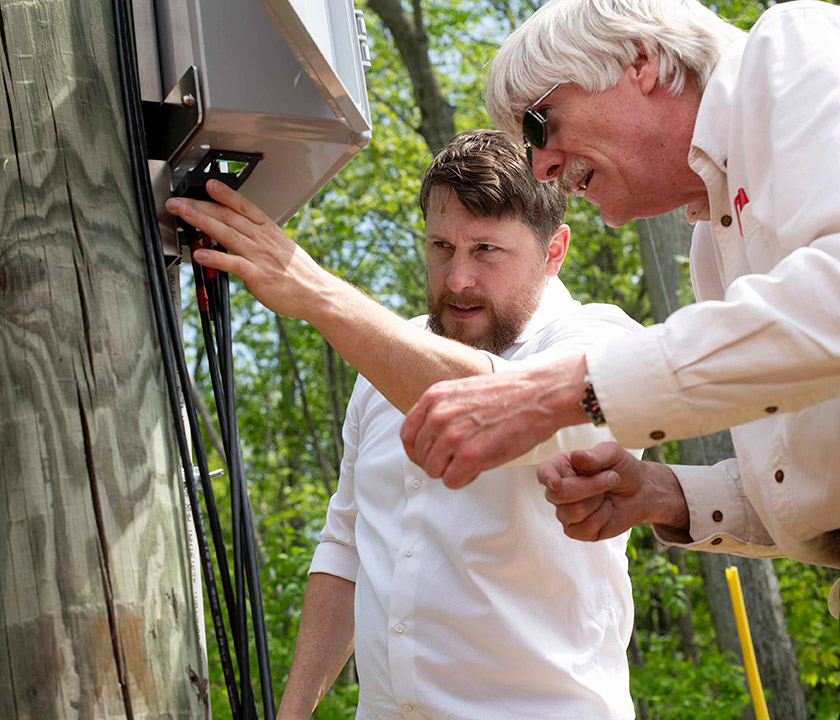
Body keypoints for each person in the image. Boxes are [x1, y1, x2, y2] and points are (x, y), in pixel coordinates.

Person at [166, 130, 642, 719]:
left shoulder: (607, 344)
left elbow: (509, 403)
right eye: (442, 246)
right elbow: (347, 550)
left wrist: (318, 295)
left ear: (555, 251)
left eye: (487, 250)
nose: (458, 278)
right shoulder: (383, 367)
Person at [398, 0, 840, 572]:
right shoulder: (713, 247)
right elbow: (816, 487)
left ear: (639, 60)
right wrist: (665, 494)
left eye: (540, 124)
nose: (540, 169)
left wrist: (554, 395)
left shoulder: (789, 51)